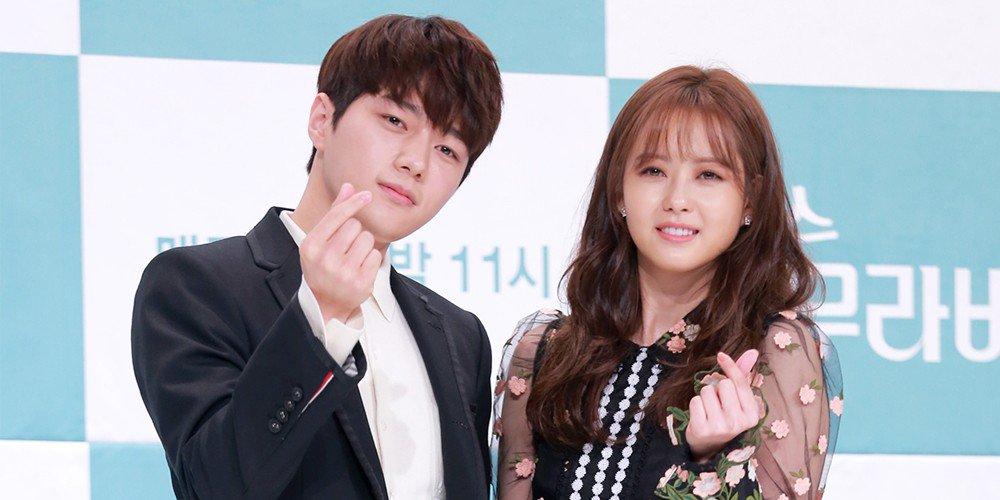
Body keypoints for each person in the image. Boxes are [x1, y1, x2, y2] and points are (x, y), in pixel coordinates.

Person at [132, 14, 503, 500]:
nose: (416, 162)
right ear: (322, 121)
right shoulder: (196, 287)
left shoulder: (460, 336)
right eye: (395, 121)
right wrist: (318, 318)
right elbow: (214, 486)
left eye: (448, 149)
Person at [493, 66, 843, 499]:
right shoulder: (543, 353)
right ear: (618, 192)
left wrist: (712, 460)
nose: (677, 199)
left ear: (750, 201)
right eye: (654, 171)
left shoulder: (772, 350)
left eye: (709, 175)